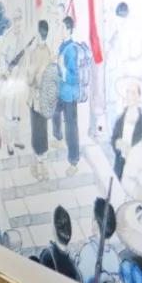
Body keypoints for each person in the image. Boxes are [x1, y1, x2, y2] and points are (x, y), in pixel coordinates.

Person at [26, 20, 54, 181]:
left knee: (36, 130)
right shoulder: (48, 52)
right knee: (43, 129)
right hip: (45, 98)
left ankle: (39, 166)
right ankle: (42, 165)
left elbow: (30, 79)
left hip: (36, 98)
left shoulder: (35, 52)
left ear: (38, 33)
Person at [52, 16, 81, 176]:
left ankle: (74, 162)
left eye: (63, 28)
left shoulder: (72, 49)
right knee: (55, 113)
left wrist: (61, 67)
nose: (60, 30)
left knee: (71, 127)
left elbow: (73, 77)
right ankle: (58, 138)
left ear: (69, 30)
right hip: (61, 91)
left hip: (70, 95)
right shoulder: (63, 46)